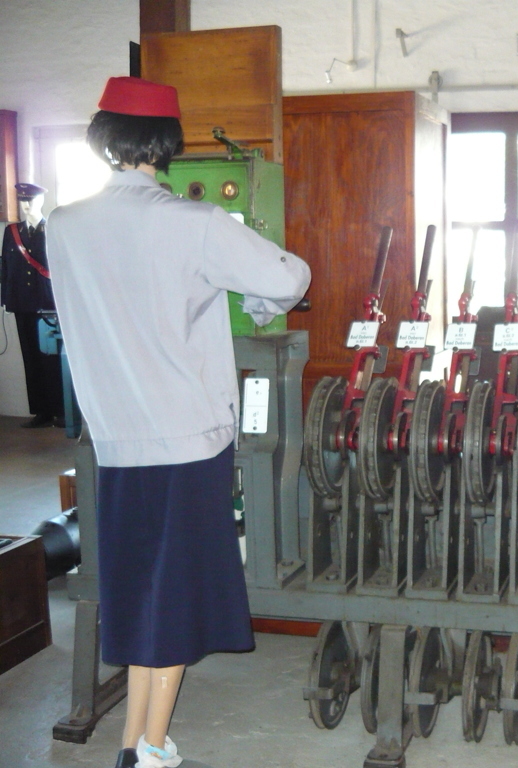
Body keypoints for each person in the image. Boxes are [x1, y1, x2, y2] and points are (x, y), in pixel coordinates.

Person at [46, 76, 311, 768]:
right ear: (169, 146)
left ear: (102, 137)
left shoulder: (64, 225)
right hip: (189, 440)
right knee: (176, 601)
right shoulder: (196, 225)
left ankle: (136, 741)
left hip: (115, 441)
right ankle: (150, 752)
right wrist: (250, 297)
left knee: (140, 593)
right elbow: (289, 279)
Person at [1, 182, 66, 427]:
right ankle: (41, 411)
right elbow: (6, 266)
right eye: (22, 200)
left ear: (41, 201)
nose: (26, 204)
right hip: (22, 303)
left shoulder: (53, 229)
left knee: (53, 357)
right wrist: (6, 299)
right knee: (30, 357)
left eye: (30, 199)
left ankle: (61, 410)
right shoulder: (12, 232)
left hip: (48, 302)